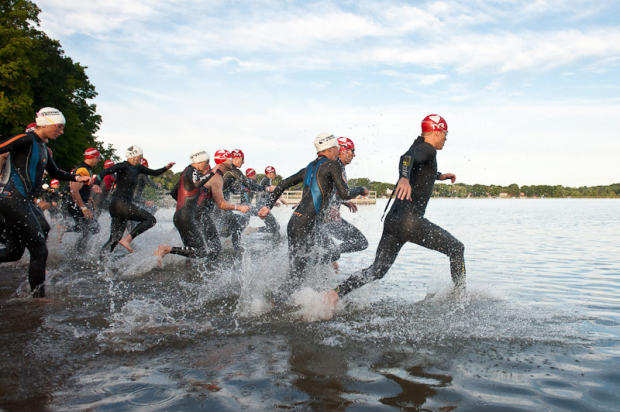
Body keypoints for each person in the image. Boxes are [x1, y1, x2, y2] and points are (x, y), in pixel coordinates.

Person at [325, 114, 465, 308]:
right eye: (445, 134)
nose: (446, 138)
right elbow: (406, 159)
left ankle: (335, 293)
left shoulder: (418, 146)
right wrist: (404, 178)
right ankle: (461, 298)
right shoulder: (428, 149)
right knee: (457, 249)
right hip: (410, 222)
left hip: (393, 221)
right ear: (437, 131)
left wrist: (438, 176)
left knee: (377, 270)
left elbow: (415, 165)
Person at [257, 133, 367, 300]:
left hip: (295, 222)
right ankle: (273, 303)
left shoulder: (310, 166)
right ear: (330, 149)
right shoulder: (332, 165)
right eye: (337, 148)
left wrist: (268, 206)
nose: (338, 151)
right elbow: (344, 193)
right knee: (299, 275)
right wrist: (361, 189)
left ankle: (276, 301)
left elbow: (283, 184)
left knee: (297, 273)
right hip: (306, 224)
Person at [0, 108, 89, 297]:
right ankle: (38, 299)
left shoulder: (44, 149)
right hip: (12, 199)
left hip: (23, 201)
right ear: (46, 123)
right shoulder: (25, 139)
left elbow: (56, 173)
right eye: (59, 127)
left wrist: (77, 177)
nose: (61, 131)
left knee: (14, 252)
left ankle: (37, 273)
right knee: (39, 249)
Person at [156, 149, 250, 262]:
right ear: (223, 161)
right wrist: (239, 207)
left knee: (195, 250)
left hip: (190, 214)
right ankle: (168, 250)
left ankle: (190, 267)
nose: (232, 161)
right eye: (230, 159)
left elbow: (174, 192)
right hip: (199, 215)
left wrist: (187, 204)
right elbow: (221, 204)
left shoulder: (204, 174)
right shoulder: (216, 177)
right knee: (213, 248)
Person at [99, 146, 174, 254]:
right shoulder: (123, 165)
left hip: (120, 205)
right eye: (140, 156)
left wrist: (166, 167)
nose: (141, 158)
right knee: (150, 220)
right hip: (119, 204)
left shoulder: (139, 168)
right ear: (133, 156)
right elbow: (104, 172)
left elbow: (154, 172)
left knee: (114, 239)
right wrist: (95, 184)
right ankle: (127, 240)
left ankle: (100, 261)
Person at [323, 137, 368, 271]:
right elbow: (331, 190)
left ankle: (327, 256)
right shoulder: (335, 166)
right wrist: (361, 189)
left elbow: (332, 190)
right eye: (352, 151)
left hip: (325, 218)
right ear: (343, 150)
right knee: (360, 242)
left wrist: (344, 202)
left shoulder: (336, 166)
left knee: (333, 258)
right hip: (327, 218)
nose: (354, 155)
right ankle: (328, 255)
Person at [64, 148, 101, 248]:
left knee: (91, 228)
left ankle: (77, 249)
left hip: (76, 203)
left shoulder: (86, 169)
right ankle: (77, 250)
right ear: (91, 157)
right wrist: (84, 208)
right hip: (75, 204)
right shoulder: (83, 170)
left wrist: (89, 198)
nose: (99, 160)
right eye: (98, 158)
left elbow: (82, 188)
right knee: (91, 228)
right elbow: (74, 190)